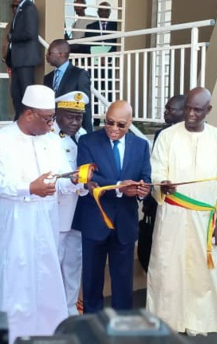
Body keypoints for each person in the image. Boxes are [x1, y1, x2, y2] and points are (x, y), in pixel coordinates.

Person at [0, 84, 84, 341]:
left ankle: (46, 335)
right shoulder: (0, 139)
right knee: (14, 282)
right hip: (13, 226)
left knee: (45, 279)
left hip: (45, 223)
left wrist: (74, 180)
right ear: (29, 114)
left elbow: (59, 179)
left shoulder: (52, 140)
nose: (52, 125)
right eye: (47, 118)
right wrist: (29, 187)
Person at [147, 87, 217, 335]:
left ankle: (201, 322)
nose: (191, 114)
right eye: (188, 107)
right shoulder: (167, 136)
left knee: (202, 273)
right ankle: (166, 320)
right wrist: (162, 184)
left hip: (206, 219)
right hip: (172, 215)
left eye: (198, 109)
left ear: (208, 110)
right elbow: (156, 171)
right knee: (167, 268)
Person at [76, 100, 151, 313]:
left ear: (130, 123)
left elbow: (145, 176)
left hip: (125, 223)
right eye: (109, 122)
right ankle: (92, 326)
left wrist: (142, 190)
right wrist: (119, 187)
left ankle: (122, 327)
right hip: (95, 221)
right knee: (91, 280)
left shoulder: (141, 145)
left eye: (121, 124)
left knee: (123, 282)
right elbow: (88, 178)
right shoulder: (88, 141)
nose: (114, 129)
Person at [52, 91, 89, 315]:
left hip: (80, 211)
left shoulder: (83, 135)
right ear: (57, 114)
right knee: (54, 264)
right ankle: (54, 311)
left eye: (79, 116)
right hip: (58, 211)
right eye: (69, 116)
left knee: (74, 264)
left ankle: (70, 309)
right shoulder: (48, 137)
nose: (75, 122)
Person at [139, 94, 184, 272]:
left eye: (170, 109)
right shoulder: (162, 134)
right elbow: (155, 167)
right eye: (166, 108)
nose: (165, 112)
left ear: (183, 111)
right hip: (160, 197)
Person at [44, 39, 92, 133]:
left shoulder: (79, 75)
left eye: (49, 53)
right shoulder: (47, 78)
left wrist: (88, 133)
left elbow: (86, 106)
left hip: (71, 131)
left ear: (61, 54)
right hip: (51, 131)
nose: (46, 56)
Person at [7, 0, 40, 118]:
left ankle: (28, 119)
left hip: (26, 58)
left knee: (26, 93)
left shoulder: (29, 8)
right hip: (18, 59)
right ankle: (19, 120)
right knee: (16, 93)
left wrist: (12, 37)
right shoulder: (21, 8)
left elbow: (30, 33)